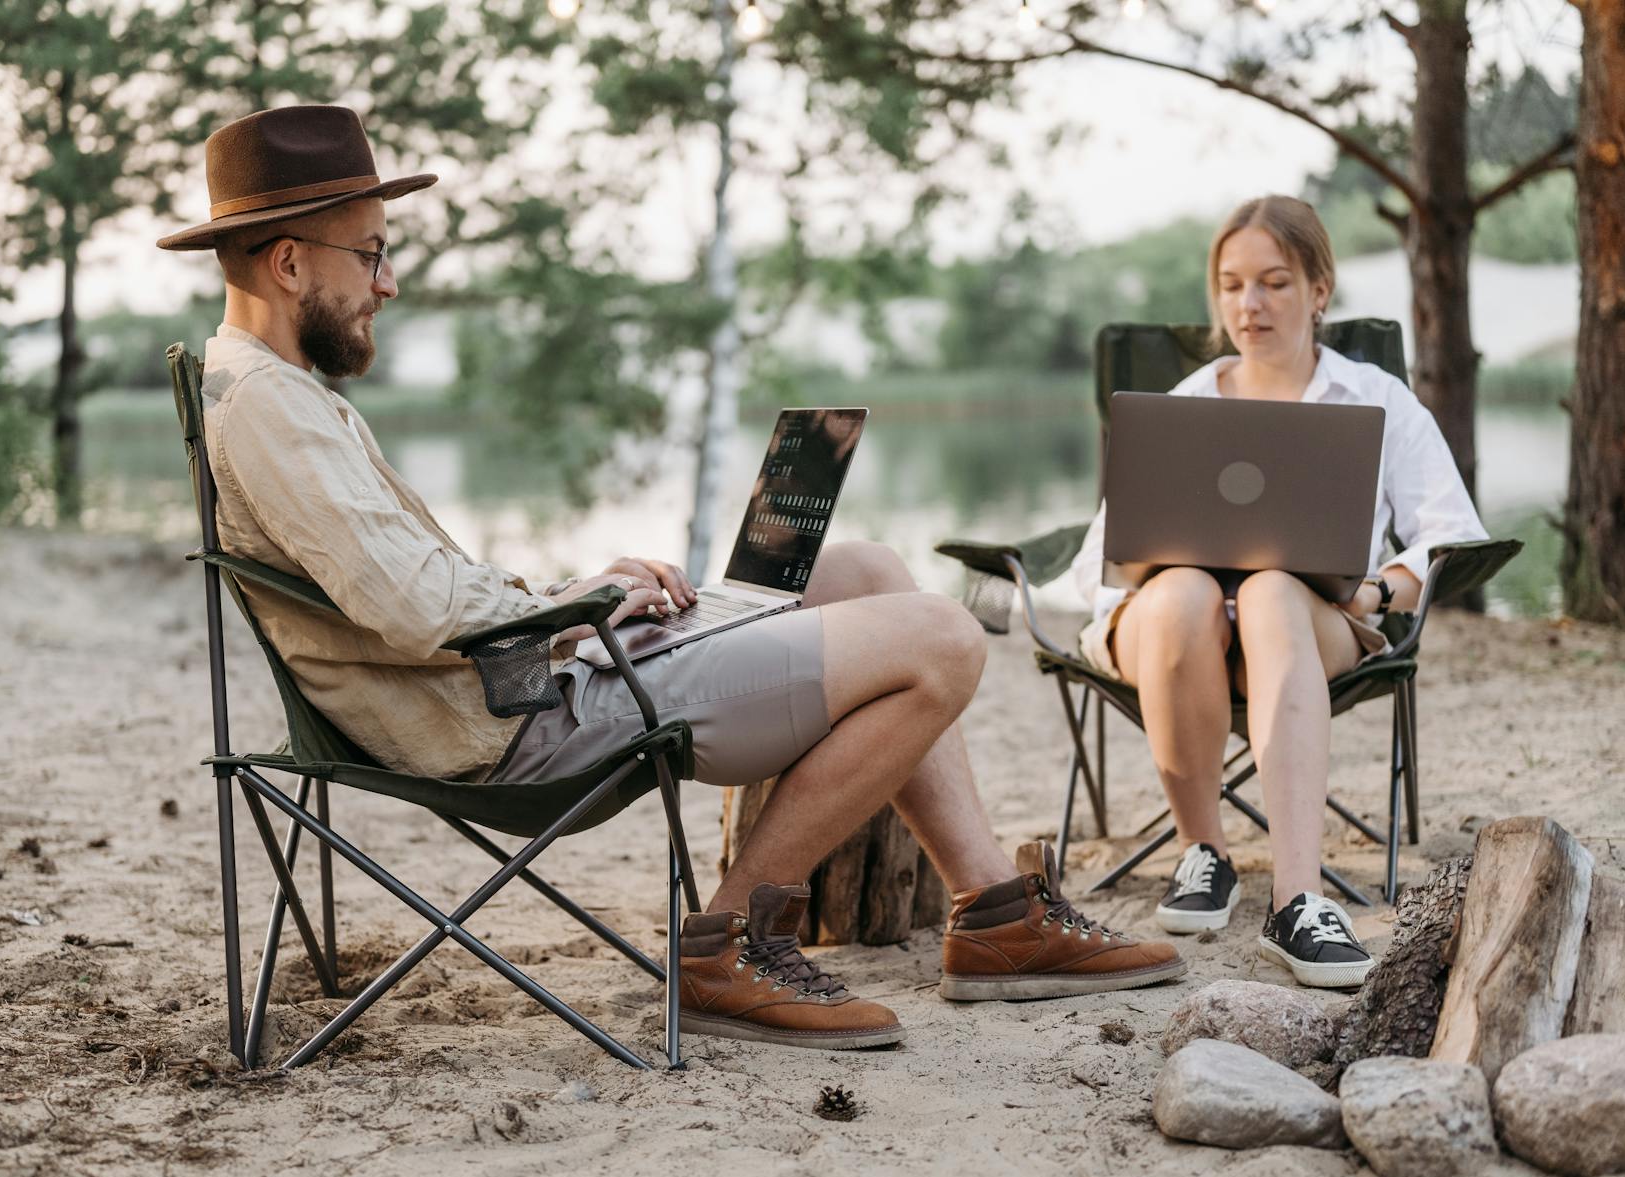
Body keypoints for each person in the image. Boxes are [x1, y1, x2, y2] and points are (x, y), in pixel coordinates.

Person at [157, 105, 1185, 1052]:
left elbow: (412, 585)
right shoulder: (269, 408)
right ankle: (726, 942)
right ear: (290, 263)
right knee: (944, 640)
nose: (387, 281)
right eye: (372, 255)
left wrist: (578, 590)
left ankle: (992, 913)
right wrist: (585, 609)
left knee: (868, 567)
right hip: (517, 726)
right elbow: (417, 607)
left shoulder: (274, 392)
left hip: (526, 680)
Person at [1065, 195, 1487, 988]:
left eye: (1273, 283)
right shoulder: (1184, 405)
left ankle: (1299, 900)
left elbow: (1452, 535)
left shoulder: (1376, 400)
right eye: (1230, 285)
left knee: (1269, 591)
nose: (1248, 305)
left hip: (1305, 626)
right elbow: (1103, 561)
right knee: (1188, 589)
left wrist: (1372, 594)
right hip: (1170, 633)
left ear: (1319, 289)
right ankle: (1204, 851)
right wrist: (1152, 560)